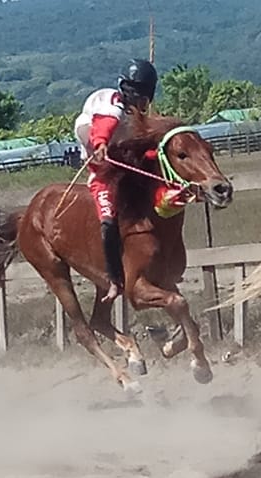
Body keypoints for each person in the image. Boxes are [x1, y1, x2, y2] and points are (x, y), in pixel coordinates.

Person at [73, 58, 158, 302]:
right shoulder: (111, 103)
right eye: (140, 97)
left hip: (124, 166)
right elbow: (105, 125)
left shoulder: (136, 117)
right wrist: (100, 144)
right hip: (101, 173)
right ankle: (113, 278)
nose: (143, 103)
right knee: (108, 221)